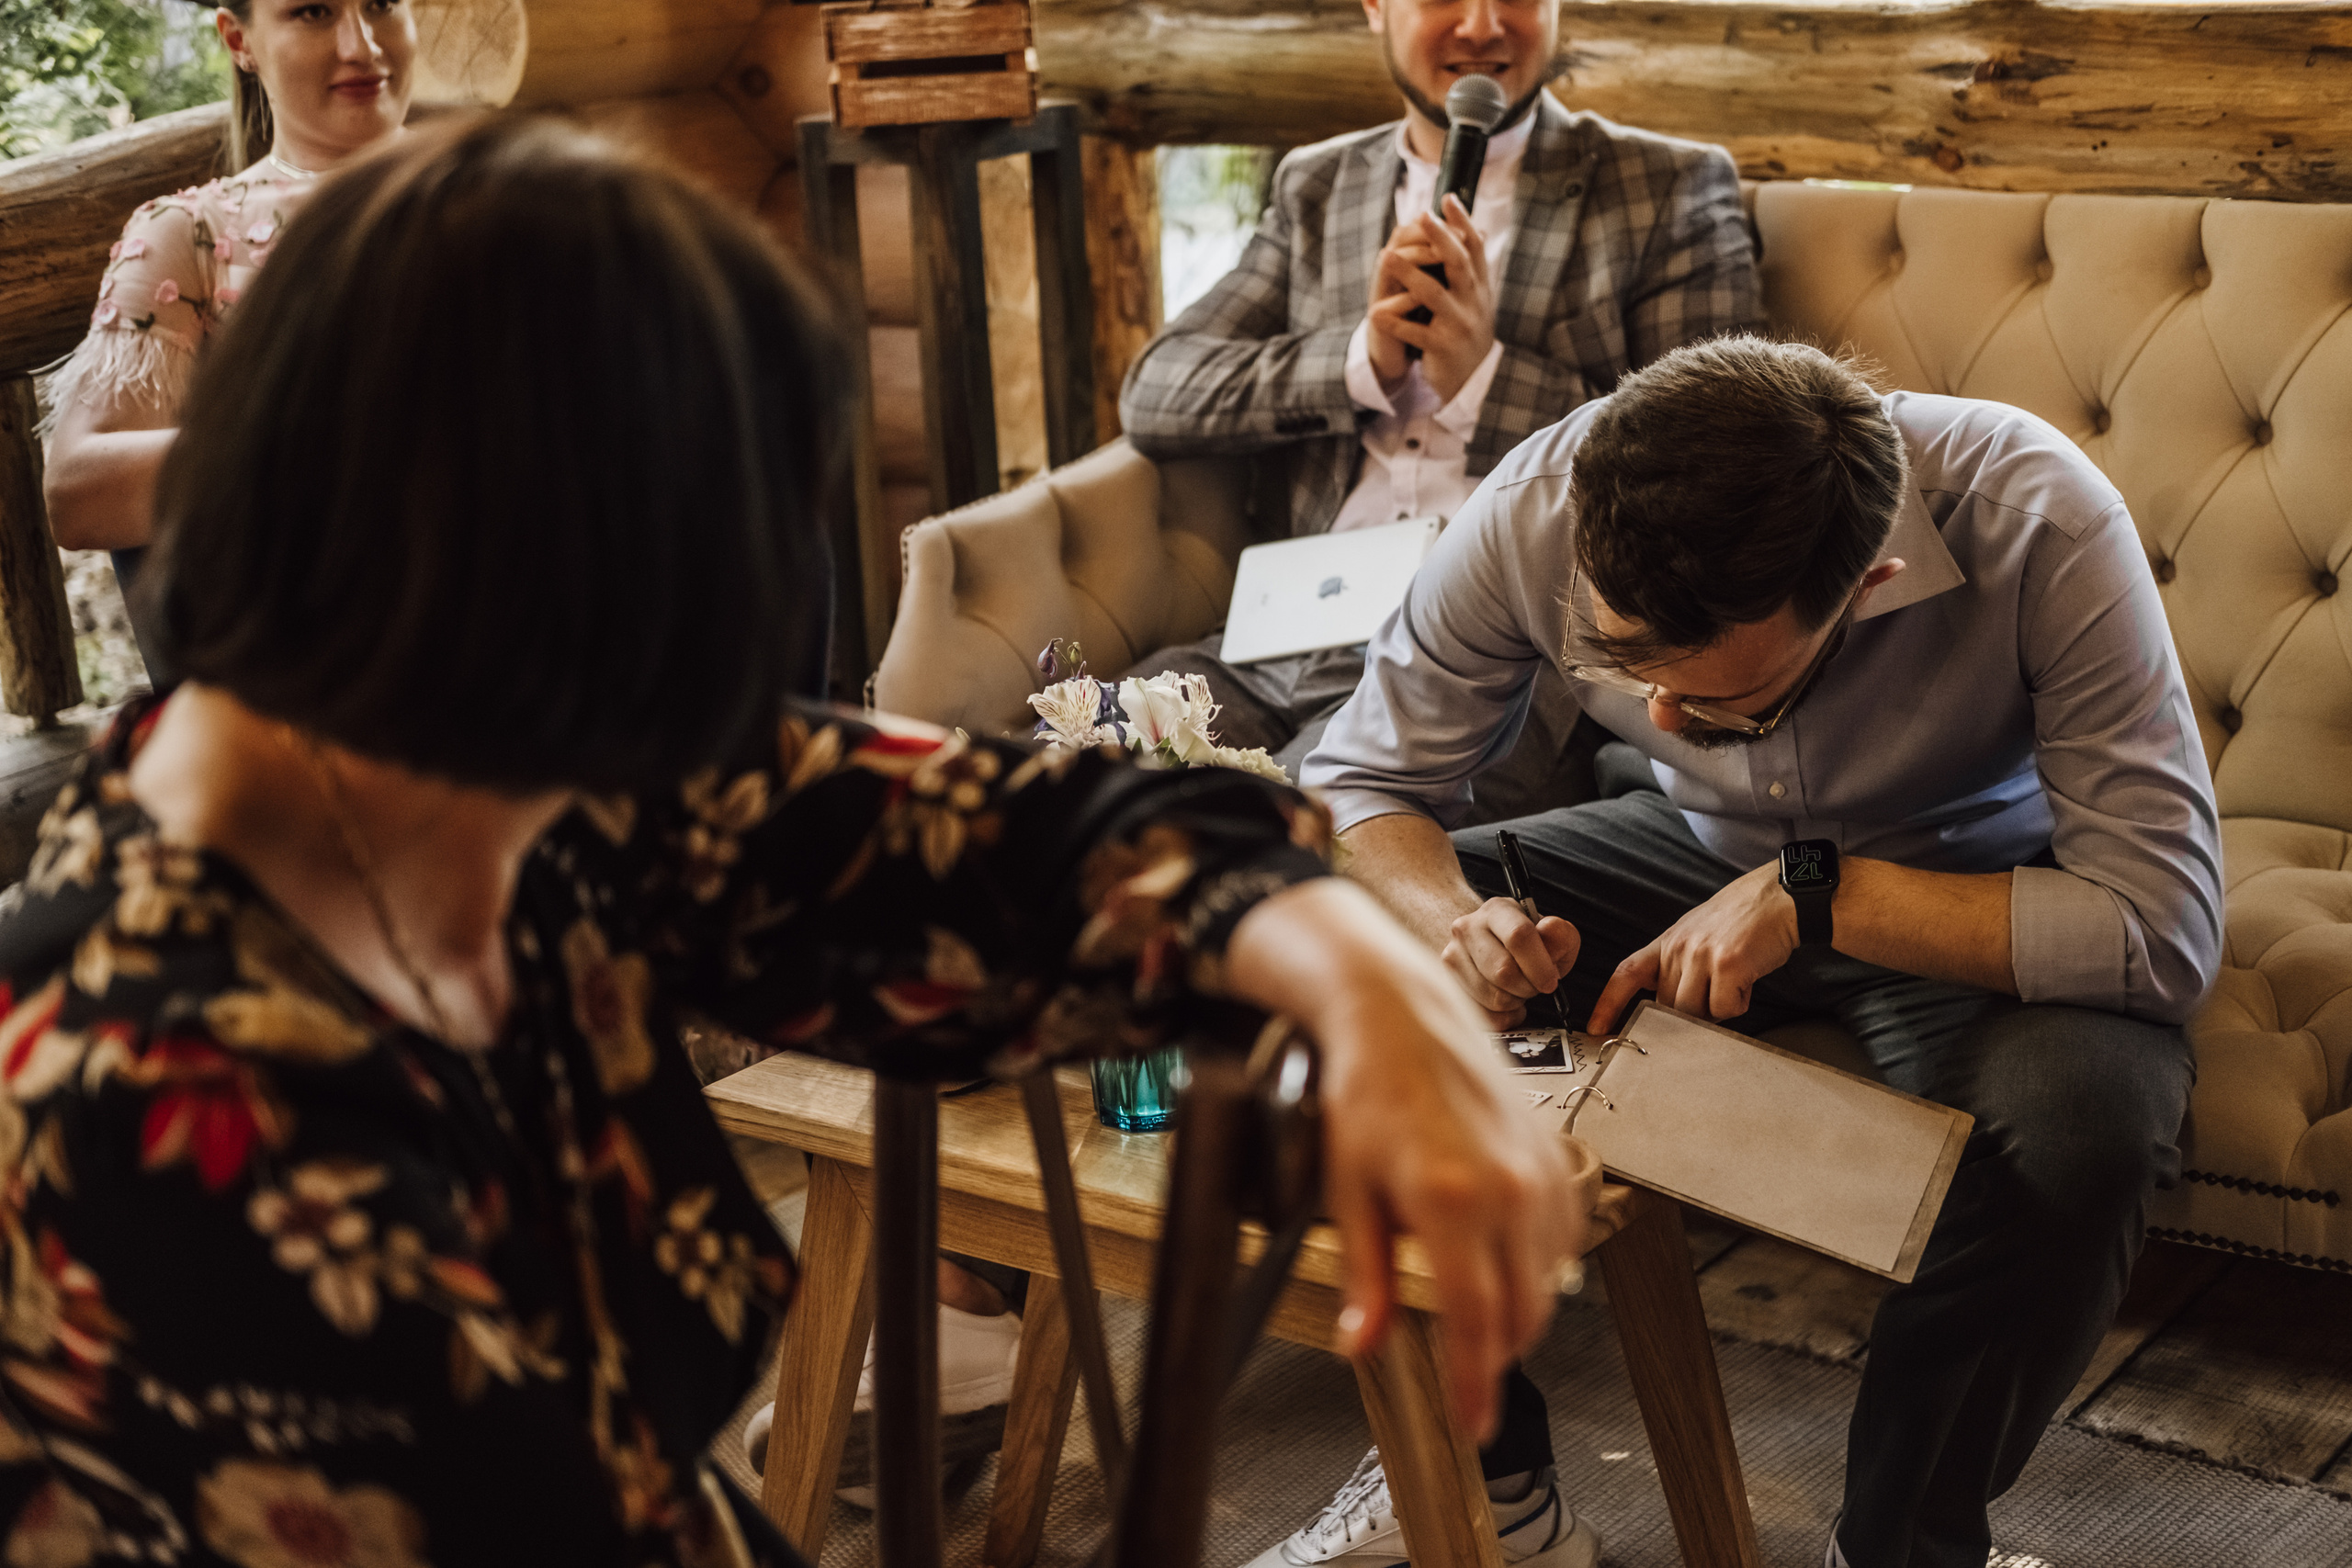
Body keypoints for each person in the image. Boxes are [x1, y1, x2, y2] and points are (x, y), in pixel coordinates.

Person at [0, 116, 1590, 1568]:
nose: (672, 767)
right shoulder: (148, 1105)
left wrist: (1355, 977)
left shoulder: (463, 760)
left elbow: (969, 830)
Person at [1303, 336, 2222, 1568]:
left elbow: (2163, 926)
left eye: (1738, 699)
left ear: (1870, 584)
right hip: (1682, 850)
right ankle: (1491, 1496)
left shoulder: (2037, 513)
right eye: (1633, 668)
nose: (1671, 721)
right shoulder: (1537, 505)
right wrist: (1454, 925)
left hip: (1975, 891)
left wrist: (1812, 892)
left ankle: (1902, 1548)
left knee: (2087, 1130)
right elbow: (1361, 778)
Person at [1117, 0, 1760, 786]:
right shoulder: (1318, 184)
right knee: (1046, 786)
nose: (1483, 26)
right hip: (1279, 636)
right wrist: (1363, 360)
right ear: (1376, 8)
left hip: (1496, 662)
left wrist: (1482, 378)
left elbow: (1710, 469)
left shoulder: (1671, 188)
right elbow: (1156, 388)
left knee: (1285, 840)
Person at [40, 0, 414, 663]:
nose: (361, 45)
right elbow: (78, 492)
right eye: (315, 12)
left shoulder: (507, 200)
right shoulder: (192, 235)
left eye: (381, 4)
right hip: (313, 687)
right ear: (239, 39)